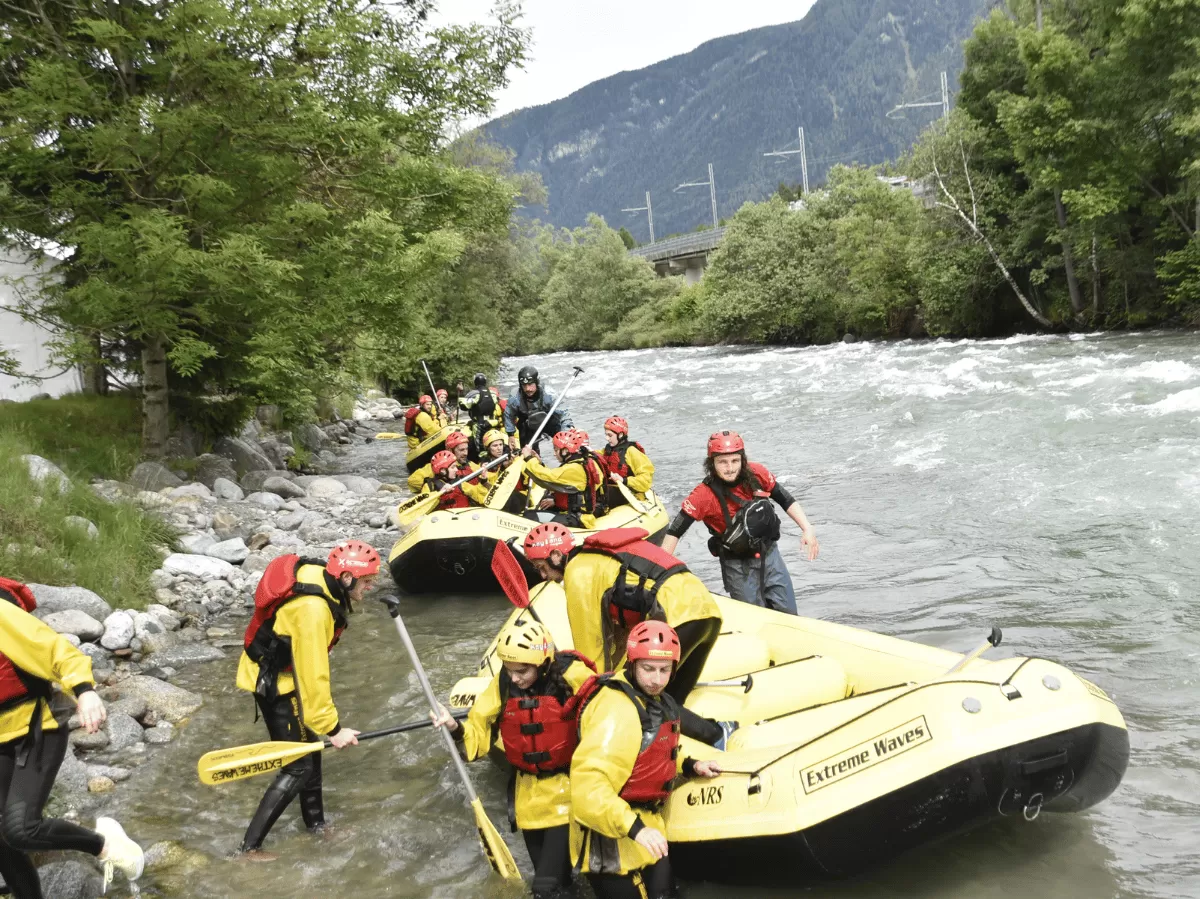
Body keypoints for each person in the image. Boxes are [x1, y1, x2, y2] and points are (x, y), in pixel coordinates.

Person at [0, 577, 144, 896]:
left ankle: (105, 844)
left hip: (36, 730)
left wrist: (85, 692)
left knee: (21, 829)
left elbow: (56, 650)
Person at [430, 618, 594, 899]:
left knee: (544, 887)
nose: (514, 677)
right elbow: (479, 723)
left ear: (543, 663)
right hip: (528, 798)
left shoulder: (573, 676)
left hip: (569, 793)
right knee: (562, 882)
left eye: (522, 670)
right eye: (508, 668)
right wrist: (455, 728)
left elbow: (607, 712)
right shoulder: (506, 682)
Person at [236, 542, 380, 854]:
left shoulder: (322, 579)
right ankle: (248, 850)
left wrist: (326, 727)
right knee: (297, 767)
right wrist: (334, 729)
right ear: (345, 577)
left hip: (282, 678)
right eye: (367, 580)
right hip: (272, 684)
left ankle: (317, 826)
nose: (371, 586)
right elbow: (313, 676)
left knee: (310, 756)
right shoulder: (314, 610)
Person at [570, 621, 722, 899]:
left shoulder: (656, 700)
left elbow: (653, 750)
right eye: (648, 669)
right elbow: (588, 790)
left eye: (665, 670)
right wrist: (636, 829)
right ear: (632, 663)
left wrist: (690, 765)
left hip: (648, 826)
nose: (656, 679)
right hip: (611, 836)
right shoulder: (615, 709)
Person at [521, 525, 724, 721]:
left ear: (556, 555)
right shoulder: (601, 560)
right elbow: (620, 635)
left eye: (542, 567)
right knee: (671, 703)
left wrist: (593, 695)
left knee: (638, 700)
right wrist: (617, 673)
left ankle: (714, 732)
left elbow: (591, 648)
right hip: (708, 614)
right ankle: (703, 738)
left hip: (679, 619)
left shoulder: (578, 572)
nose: (543, 576)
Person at [661, 430, 819, 616]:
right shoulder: (702, 496)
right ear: (711, 463)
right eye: (723, 462)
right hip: (737, 566)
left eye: (735, 461)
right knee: (754, 618)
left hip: (770, 556)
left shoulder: (757, 473)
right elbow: (675, 531)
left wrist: (807, 528)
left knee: (789, 614)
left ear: (742, 460)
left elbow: (786, 499)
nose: (730, 468)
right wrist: (660, 570)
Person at [521, 430, 607, 528]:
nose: (554, 454)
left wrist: (528, 458)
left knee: (529, 515)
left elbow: (546, 478)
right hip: (579, 514)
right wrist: (540, 463)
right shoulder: (583, 461)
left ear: (565, 451)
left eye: (556, 450)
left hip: (577, 518)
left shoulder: (573, 468)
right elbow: (558, 478)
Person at [504, 365, 574, 452]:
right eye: (524, 385)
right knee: (528, 451)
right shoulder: (514, 397)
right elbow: (509, 415)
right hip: (528, 425)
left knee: (564, 442)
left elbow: (563, 414)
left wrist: (566, 433)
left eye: (530, 384)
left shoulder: (549, 394)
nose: (527, 389)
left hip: (548, 421)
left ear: (537, 382)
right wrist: (511, 435)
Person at [599, 416, 655, 509]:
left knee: (608, 493)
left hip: (630, 493)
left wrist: (623, 480)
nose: (607, 438)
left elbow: (646, 480)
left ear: (620, 435)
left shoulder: (632, 452)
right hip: (612, 492)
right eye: (606, 435)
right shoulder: (606, 451)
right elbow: (595, 456)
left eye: (610, 435)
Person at [406, 431, 476, 493]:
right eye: (461, 450)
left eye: (466, 449)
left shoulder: (470, 465)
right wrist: (436, 484)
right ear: (450, 450)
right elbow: (412, 481)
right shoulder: (437, 466)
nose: (466, 453)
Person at [418, 450, 489, 509]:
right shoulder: (429, 487)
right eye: (453, 467)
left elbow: (482, 497)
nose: (456, 470)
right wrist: (439, 494)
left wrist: (484, 480)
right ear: (443, 471)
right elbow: (422, 508)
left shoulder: (460, 483)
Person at [459, 373, 504, 457]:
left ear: (475, 382)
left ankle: (483, 460)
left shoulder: (474, 393)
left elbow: (463, 406)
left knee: (480, 445)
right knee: (491, 441)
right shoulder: (493, 393)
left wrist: (461, 393)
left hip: (480, 423)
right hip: (492, 422)